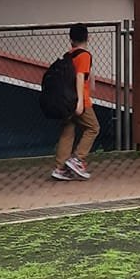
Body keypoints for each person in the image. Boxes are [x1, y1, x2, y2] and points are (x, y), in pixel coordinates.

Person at [50, 24, 99, 181]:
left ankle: (60, 168)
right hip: (79, 99)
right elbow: (80, 77)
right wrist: (80, 102)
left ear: (70, 39)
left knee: (68, 131)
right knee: (93, 127)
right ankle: (78, 159)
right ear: (87, 37)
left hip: (66, 100)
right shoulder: (84, 55)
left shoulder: (69, 55)